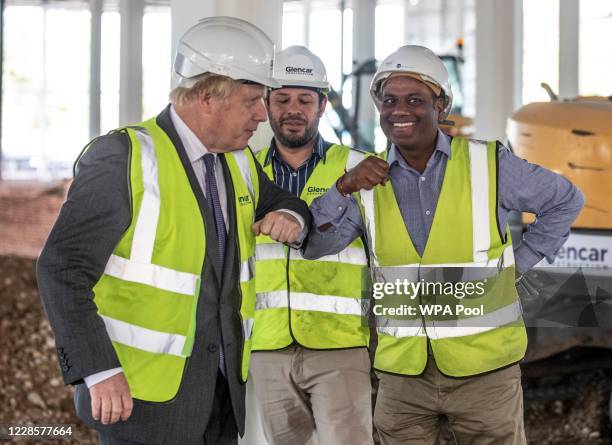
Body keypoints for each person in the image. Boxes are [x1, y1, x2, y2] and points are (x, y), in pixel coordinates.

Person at [37, 17, 310, 445]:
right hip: (139, 398)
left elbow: (281, 201)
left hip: (221, 395)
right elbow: (61, 269)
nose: (263, 115)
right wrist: (98, 370)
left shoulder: (237, 160)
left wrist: (293, 217)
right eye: (252, 101)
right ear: (207, 97)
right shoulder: (125, 158)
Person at [303, 45, 584, 444]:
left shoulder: (489, 164)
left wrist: (518, 264)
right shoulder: (365, 180)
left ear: (441, 106)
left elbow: (565, 200)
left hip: (484, 373)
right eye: (389, 100)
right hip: (403, 378)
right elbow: (315, 244)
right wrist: (342, 188)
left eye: (415, 99)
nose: (400, 110)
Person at [249, 45, 373, 445]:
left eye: (305, 99)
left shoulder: (357, 168)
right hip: (267, 345)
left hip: (340, 344)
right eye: (282, 99)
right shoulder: (242, 170)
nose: (293, 109)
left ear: (322, 105)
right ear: (266, 103)